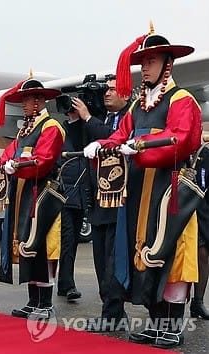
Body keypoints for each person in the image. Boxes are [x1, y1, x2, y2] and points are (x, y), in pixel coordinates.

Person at [83, 27, 201, 348]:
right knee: (143, 253)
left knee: (170, 253)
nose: (145, 67)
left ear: (168, 64)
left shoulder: (181, 99)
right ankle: (155, 320)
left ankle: (173, 325)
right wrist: (103, 145)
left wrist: (141, 145)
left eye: (151, 61)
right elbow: (121, 136)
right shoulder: (137, 107)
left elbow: (183, 138)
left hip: (168, 191)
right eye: (143, 62)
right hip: (138, 189)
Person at [0, 78, 65, 319]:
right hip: (25, 192)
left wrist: (15, 166)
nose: (24, 105)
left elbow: (43, 160)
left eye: (27, 100)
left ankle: (45, 302)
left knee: (41, 244)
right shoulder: (26, 129)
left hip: (42, 193)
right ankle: (33, 300)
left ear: (39, 101)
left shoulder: (51, 127)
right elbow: (11, 154)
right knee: (27, 243)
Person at [71, 75, 131, 331]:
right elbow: (82, 144)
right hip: (99, 199)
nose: (107, 93)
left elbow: (113, 138)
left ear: (127, 93)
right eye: (105, 89)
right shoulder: (104, 117)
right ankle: (110, 310)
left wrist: (87, 118)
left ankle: (114, 312)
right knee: (99, 259)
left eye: (113, 89)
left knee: (112, 259)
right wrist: (77, 120)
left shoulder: (129, 116)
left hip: (119, 199)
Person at [56, 110, 86, 302]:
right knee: (67, 239)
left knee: (74, 239)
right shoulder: (62, 131)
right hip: (66, 193)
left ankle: (64, 283)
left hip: (80, 192)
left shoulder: (83, 130)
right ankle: (67, 284)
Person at [191, 141, 209, 320]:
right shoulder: (203, 152)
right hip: (190, 207)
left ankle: (198, 302)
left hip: (202, 210)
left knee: (203, 255)